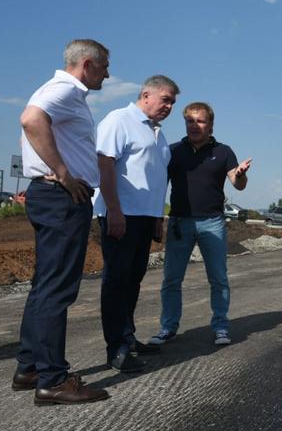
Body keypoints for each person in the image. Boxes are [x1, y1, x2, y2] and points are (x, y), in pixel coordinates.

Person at [13, 39, 110, 405]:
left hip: (52, 197)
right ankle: (53, 379)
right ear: (87, 65)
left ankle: (31, 367)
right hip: (62, 198)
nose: (108, 74)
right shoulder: (65, 90)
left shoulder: (59, 90)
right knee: (57, 290)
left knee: (45, 284)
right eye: (104, 67)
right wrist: (64, 173)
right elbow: (30, 119)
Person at [94, 75, 179, 372]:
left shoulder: (158, 134)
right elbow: (104, 164)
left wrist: (158, 219)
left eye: (172, 102)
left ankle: (127, 338)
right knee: (116, 281)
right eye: (165, 99)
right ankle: (115, 348)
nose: (169, 106)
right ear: (146, 94)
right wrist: (114, 210)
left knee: (133, 280)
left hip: (145, 218)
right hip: (121, 216)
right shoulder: (119, 120)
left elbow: (157, 180)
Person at [148, 102, 251, 347]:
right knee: (172, 279)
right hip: (179, 223)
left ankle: (221, 327)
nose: (195, 126)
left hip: (212, 223)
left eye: (200, 121)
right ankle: (168, 327)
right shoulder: (173, 151)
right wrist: (155, 218)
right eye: (190, 121)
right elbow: (159, 185)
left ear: (211, 125)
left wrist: (241, 174)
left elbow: (238, 184)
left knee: (218, 278)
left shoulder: (224, 152)